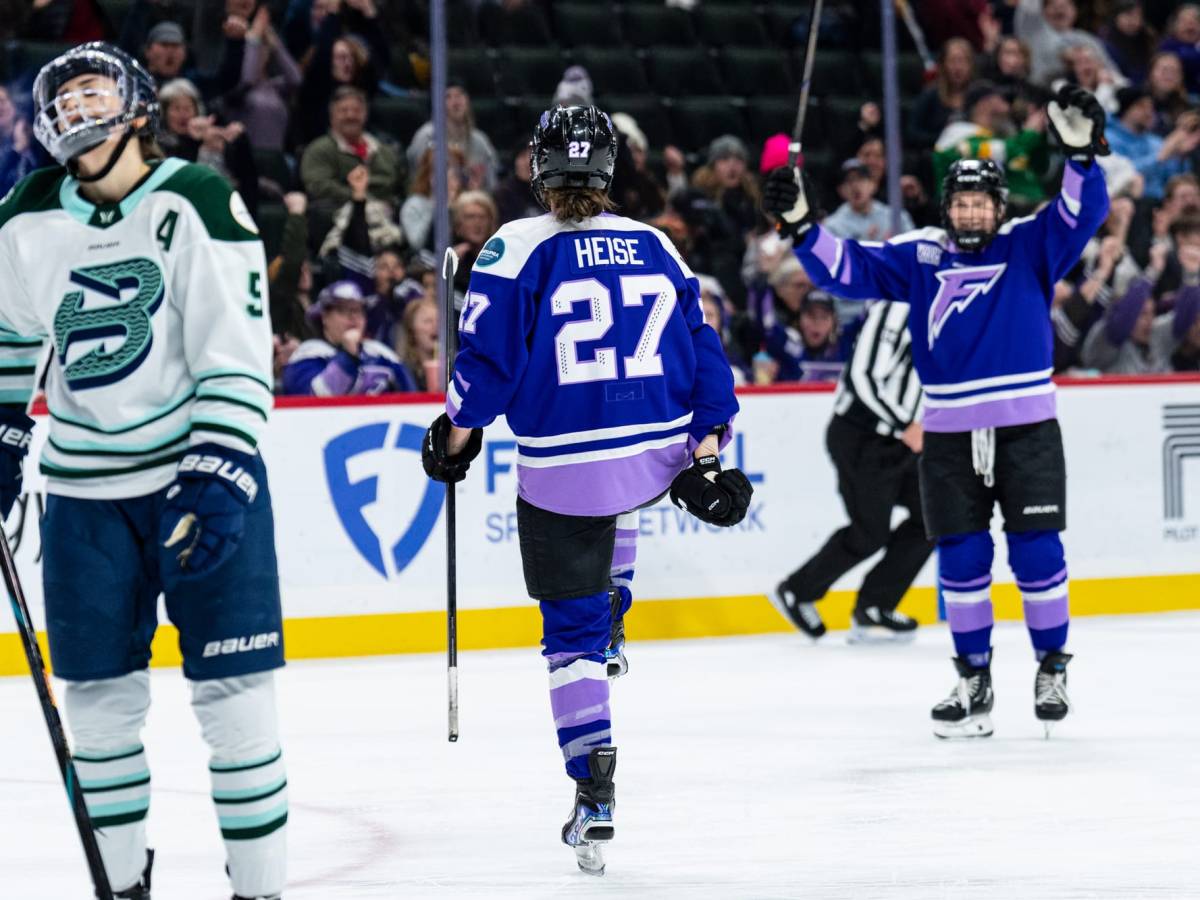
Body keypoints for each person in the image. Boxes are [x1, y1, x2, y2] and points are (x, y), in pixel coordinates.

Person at [420, 105, 751, 876]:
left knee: (570, 641)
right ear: (611, 170)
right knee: (620, 506)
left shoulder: (511, 246)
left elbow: (489, 370)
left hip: (565, 466)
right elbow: (702, 349)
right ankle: (618, 612)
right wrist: (705, 446)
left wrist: (455, 436)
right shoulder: (657, 242)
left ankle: (594, 788)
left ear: (538, 167)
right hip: (656, 451)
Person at [0, 43, 285, 899]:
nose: (74, 104)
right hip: (86, 499)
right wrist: (4, 431)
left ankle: (260, 892)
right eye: (61, 93)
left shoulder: (197, 198)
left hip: (196, 477)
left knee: (236, 700)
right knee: (96, 711)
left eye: (92, 87)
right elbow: (12, 342)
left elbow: (236, 351)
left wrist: (222, 462)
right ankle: (123, 887)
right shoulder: (23, 218)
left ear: (135, 106)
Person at [764, 84, 1111, 739]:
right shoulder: (921, 255)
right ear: (948, 207)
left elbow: (1082, 212)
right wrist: (803, 228)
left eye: (981, 201)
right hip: (949, 436)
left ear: (999, 207)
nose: (971, 211)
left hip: (1027, 428)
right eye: (962, 201)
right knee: (960, 557)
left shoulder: (1032, 245)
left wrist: (1082, 157)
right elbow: (848, 271)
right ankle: (972, 678)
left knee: (1037, 552)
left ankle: (1051, 665)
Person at [772, 300, 929, 643]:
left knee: (932, 518)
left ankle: (875, 605)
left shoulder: (943, 309)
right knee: (869, 531)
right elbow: (862, 376)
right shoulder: (896, 309)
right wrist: (906, 424)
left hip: (902, 440)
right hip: (863, 437)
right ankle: (797, 591)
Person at [281, 280, 416, 395]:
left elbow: (412, 399)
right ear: (324, 317)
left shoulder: (382, 354)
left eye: (358, 310)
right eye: (342, 310)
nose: (353, 317)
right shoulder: (308, 353)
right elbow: (313, 400)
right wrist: (349, 356)